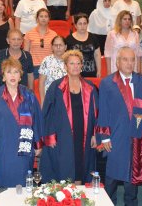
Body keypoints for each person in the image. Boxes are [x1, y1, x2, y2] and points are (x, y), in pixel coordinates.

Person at [97, 46, 142, 205]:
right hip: (115, 136)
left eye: (133, 59)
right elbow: (103, 110)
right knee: (111, 177)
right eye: (125, 59)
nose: (130, 63)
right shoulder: (107, 83)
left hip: (136, 136)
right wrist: (104, 137)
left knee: (132, 177)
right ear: (117, 62)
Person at [0, 57, 42, 187]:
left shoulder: (29, 95)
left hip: (24, 147)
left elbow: (37, 121)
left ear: (20, 76)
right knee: (6, 182)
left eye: (16, 72)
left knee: (25, 181)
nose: (13, 75)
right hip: (4, 146)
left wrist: (38, 144)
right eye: (9, 72)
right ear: (3, 77)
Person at [40, 49, 98, 184]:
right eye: (72, 63)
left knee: (81, 166)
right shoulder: (56, 87)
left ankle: (77, 197)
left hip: (84, 133)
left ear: (82, 66)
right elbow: (47, 113)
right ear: (65, 66)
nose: (75, 66)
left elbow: (97, 112)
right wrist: (50, 136)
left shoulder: (90, 87)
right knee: (64, 168)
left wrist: (95, 134)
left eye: (78, 63)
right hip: (62, 135)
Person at [38, 36, 67, 103]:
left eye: (61, 45)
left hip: (67, 98)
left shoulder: (70, 60)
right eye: (55, 45)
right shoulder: (47, 60)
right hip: (50, 98)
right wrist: (43, 101)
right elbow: (41, 83)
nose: (58, 47)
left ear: (65, 47)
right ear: (52, 47)